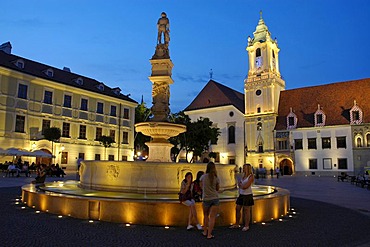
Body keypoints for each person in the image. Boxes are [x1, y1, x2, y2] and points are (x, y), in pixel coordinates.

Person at [229, 163, 254, 232]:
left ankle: (246, 225)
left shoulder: (251, 176)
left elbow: (246, 186)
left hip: (247, 195)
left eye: (244, 167)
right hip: (241, 194)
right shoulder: (243, 176)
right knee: (237, 208)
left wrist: (241, 185)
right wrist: (241, 185)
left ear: (248, 168)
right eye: (243, 167)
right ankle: (237, 224)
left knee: (246, 210)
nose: (243, 169)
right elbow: (240, 184)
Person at [200, 162, 220, 239]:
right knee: (212, 217)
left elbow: (201, 187)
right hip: (214, 198)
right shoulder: (216, 178)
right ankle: (209, 234)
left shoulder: (203, 177)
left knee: (205, 216)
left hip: (206, 198)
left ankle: (205, 231)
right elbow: (217, 189)